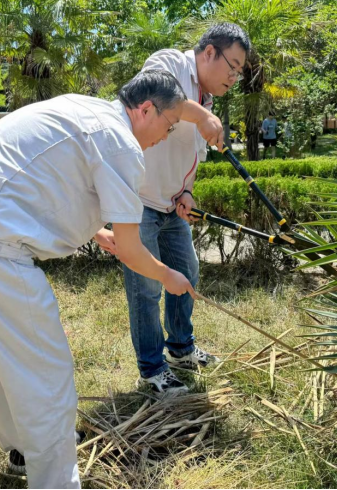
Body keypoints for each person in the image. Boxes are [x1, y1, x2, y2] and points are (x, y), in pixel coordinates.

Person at [0, 71, 192, 490]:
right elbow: (132, 249)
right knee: (47, 370)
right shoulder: (121, 142)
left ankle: (23, 448)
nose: (166, 137)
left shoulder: (85, 109)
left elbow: (46, 179)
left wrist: (96, 232)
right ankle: (55, 480)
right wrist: (169, 275)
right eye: (170, 125)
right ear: (145, 110)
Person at [94, 23, 251, 396]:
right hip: (139, 201)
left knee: (187, 272)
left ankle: (180, 349)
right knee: (147, 286)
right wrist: (202, 117)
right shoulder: (170, 63)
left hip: (170, 204)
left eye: (239, 72)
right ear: (209, 52)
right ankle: (152, 370)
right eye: (232, 66)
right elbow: (153, 95)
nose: (234, 77)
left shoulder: (205, 101)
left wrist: (187, 193)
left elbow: (192, 156)